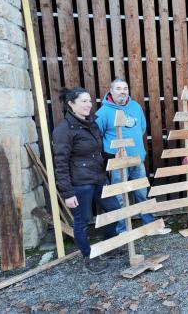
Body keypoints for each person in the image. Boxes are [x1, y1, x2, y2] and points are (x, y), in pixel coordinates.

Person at [53, 87, 121, 274]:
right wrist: (67, 193)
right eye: (83, 101)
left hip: (99, 178)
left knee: (114, 210)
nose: (88, 105)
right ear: (71, 104)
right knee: (82, 221)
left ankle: (109, 244)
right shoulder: (63, 130)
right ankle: (88, 256)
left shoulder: (92, 123)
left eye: (90, 101)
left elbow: (94, 153)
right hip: (80, 184)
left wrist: (110, 155)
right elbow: (60, 163)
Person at [95, 78, 169, 235]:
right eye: (119, 88)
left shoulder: (135, 106)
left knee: (141, 193)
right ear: (111, 90)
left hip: (136, 160)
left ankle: (149, 226)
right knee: (120, 197)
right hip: (117, 163)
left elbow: (142, 127)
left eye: (125, 88)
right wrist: (110, 153)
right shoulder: (103, 113)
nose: (123, 91)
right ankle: (123, 231)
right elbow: (97, 137)